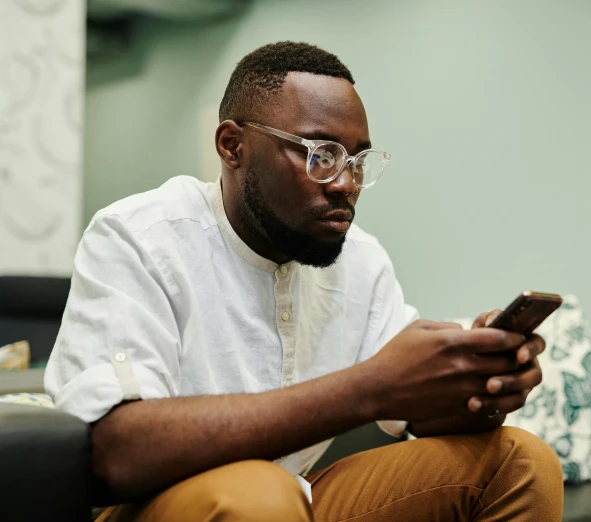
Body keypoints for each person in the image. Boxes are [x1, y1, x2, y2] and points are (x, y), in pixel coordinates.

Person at [45, 41, 563, 522]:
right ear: (232, 146)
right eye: (319, 154)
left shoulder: (360, 260)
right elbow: (117, 455)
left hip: (293, 498)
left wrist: (481, 389)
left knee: (521, 461)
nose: (345, 185)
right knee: (259, 493)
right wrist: (368, 389)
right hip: (158, 505)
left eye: (356, 160)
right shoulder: (139, 236)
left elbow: (418, 417)